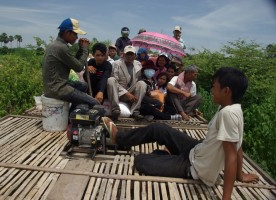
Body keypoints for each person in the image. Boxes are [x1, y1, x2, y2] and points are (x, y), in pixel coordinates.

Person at [102, 67, 259, 199]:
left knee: (141, 161)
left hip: (195, 167)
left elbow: (231, 154)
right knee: (159, 128)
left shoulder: (229, 114)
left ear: (226, 91)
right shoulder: (231, 108)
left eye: (214, 86)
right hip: (198, 150)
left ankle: (169, 155)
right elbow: (238, 146)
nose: (212, 90)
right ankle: (119, 137)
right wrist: (240, 175)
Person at [42, 18, 99, 112]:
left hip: (52, 87)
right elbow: (79, 67)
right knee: (94, 103)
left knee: (83, 86)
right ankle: (74, 116)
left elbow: (73, 62)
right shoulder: (61, 47)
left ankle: (71, 114)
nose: (77, 37)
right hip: (59, 89)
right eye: (75, 34)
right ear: (68, 33)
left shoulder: (55, 45)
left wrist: (81, 49)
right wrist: (85, 49)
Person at [107, 45, 147, 120]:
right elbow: (115, 82)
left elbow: (138, 80)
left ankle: (135, 111)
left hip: (131, 92)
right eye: (127, 54)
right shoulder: (116, 64)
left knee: (142, 83)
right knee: (111, 80)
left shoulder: (138, 64)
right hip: (119, 92)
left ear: (135, 55)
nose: (129, 56)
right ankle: (115, 109)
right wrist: (126, 93)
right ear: (123, 55)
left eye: (131, 54)